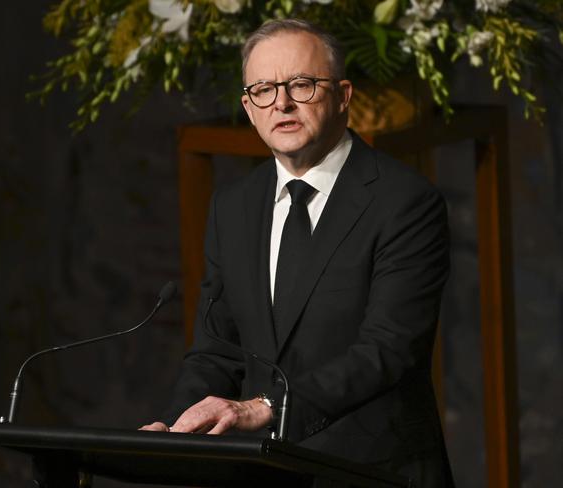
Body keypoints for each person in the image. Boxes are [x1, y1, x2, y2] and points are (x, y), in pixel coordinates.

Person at [141, 18, 454, 486]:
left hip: (373, 472)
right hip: (263, 472)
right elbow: (217, 351)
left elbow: (387, 350)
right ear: (248, 108)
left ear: (344, 95)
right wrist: (171, 428)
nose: (281, 103)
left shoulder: (405, 202)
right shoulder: (234, 207)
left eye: (301, 85)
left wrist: (266, 409)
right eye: (264, 90)